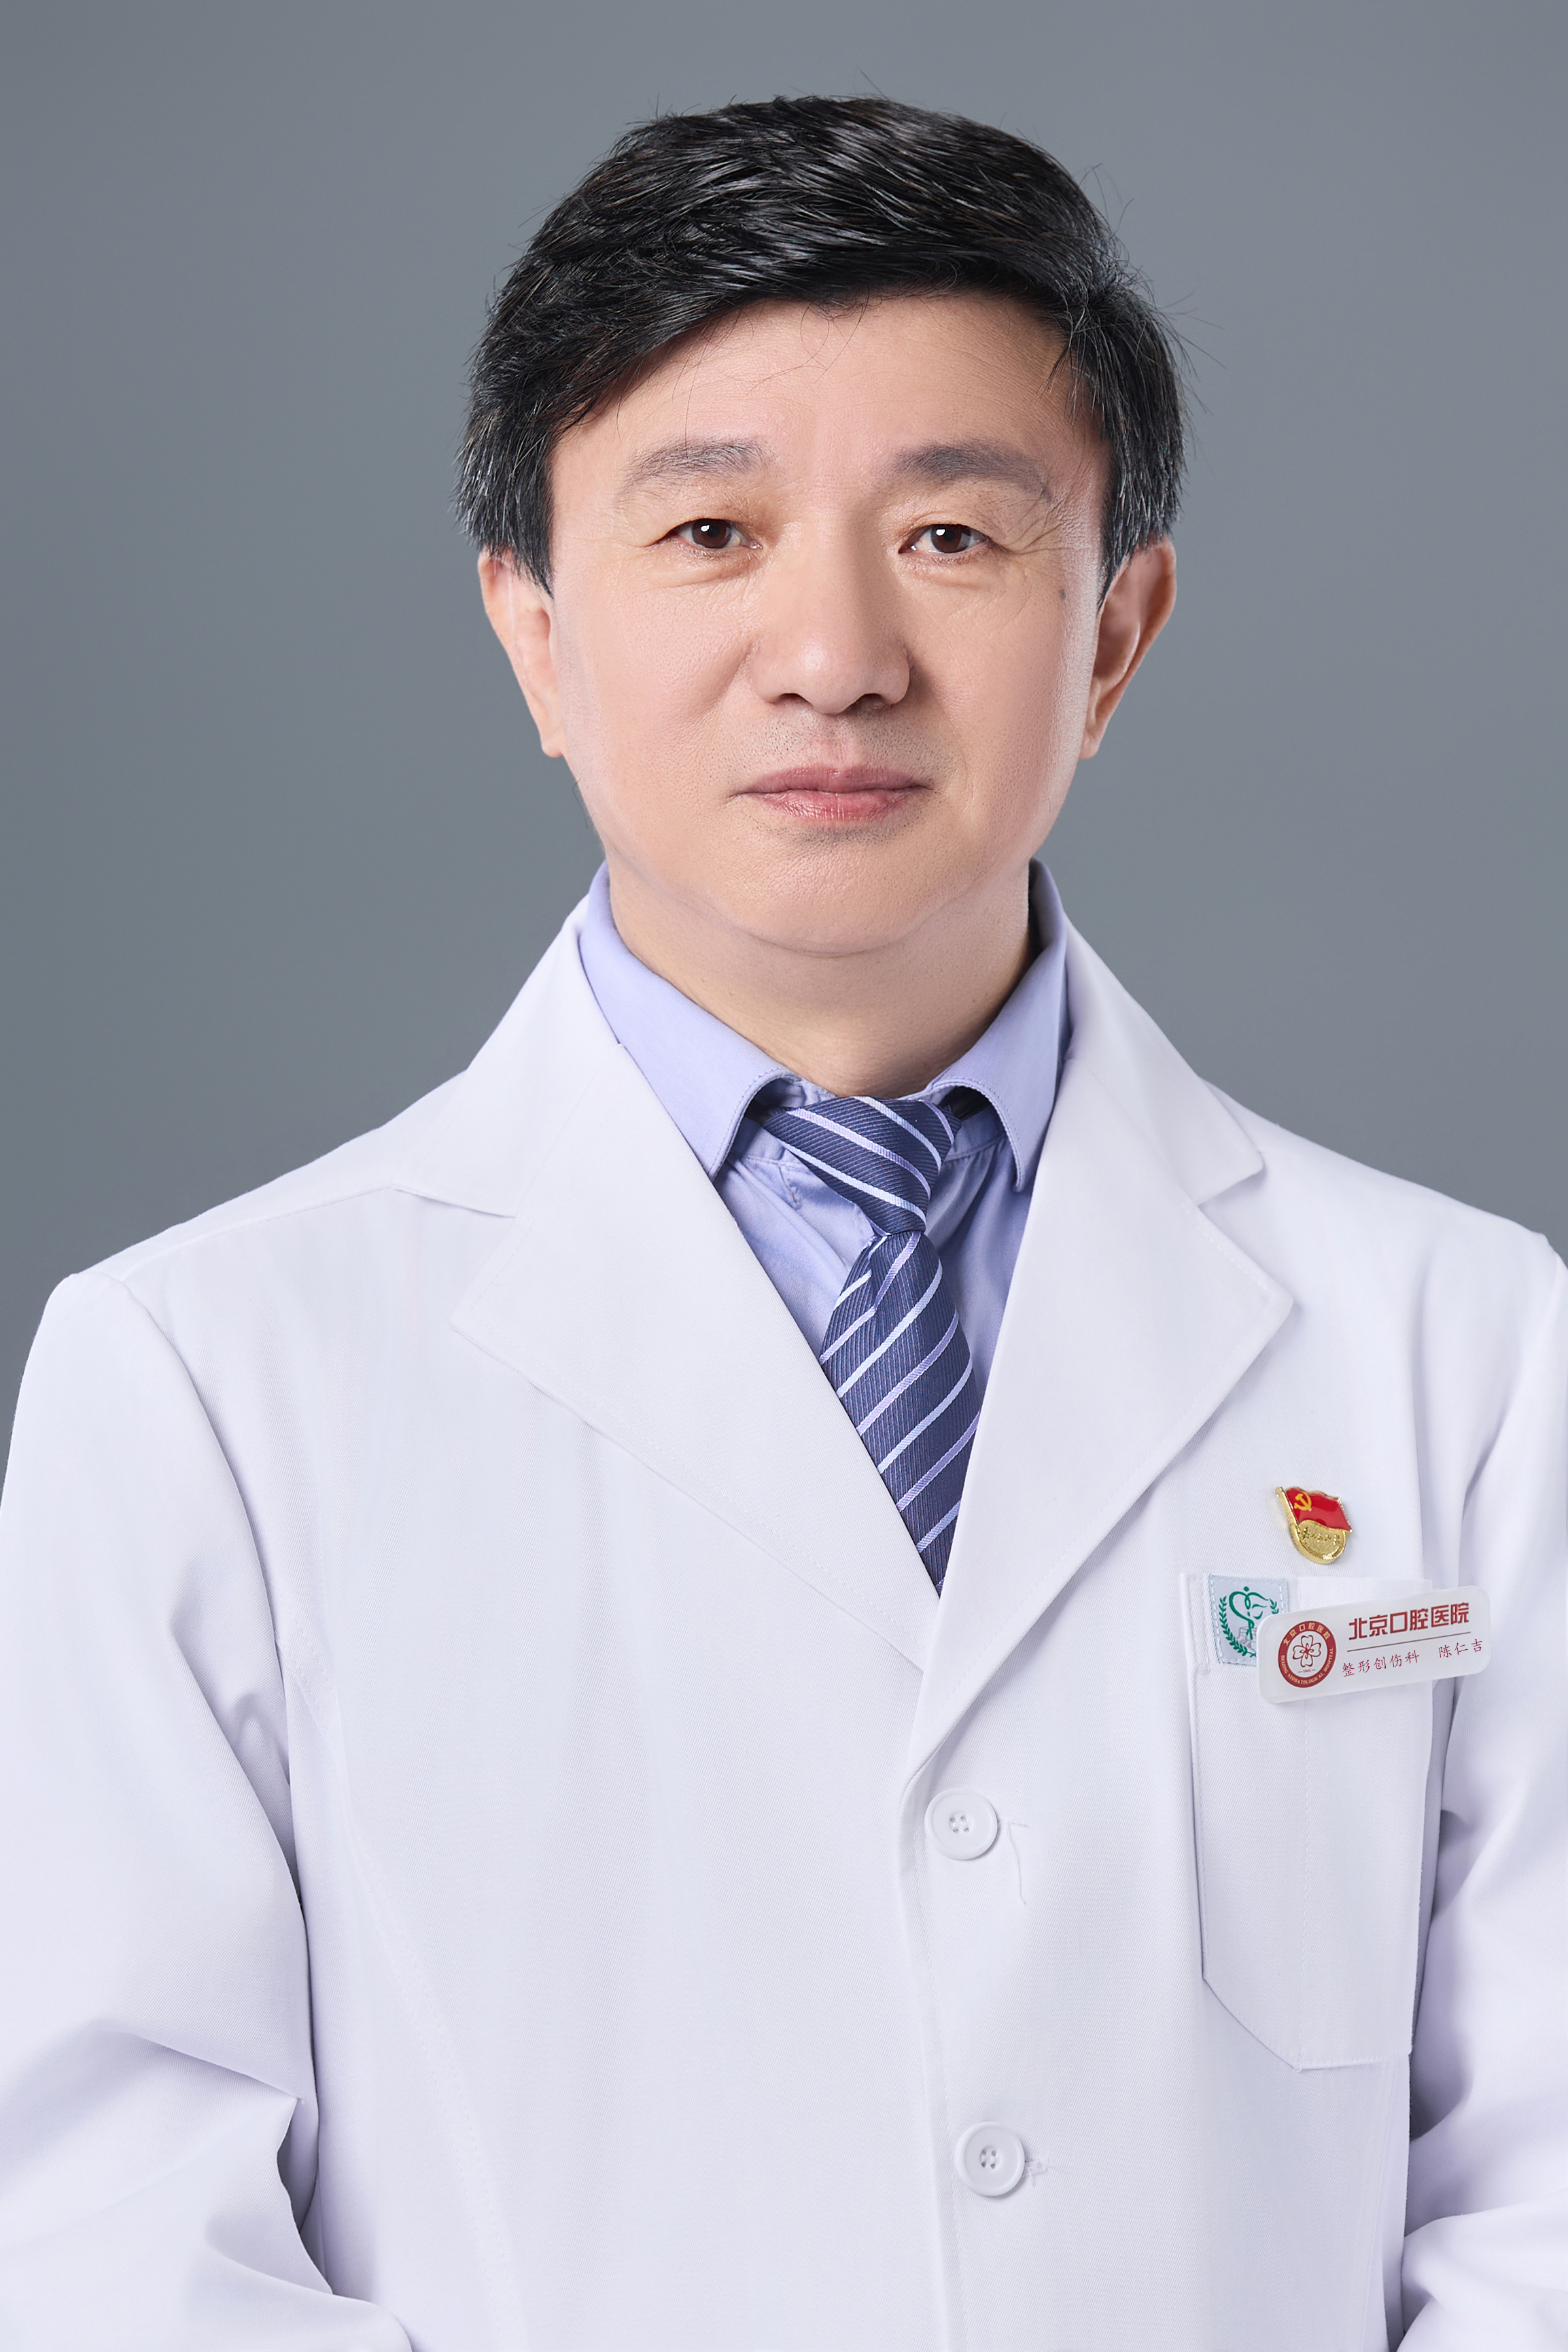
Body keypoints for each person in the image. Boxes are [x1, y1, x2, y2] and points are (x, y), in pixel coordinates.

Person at [0, 94, 1562, 2352]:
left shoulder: (1466, 1348)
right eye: (711, 530)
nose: (831, 653)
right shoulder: (198, 1382)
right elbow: (111, 2250)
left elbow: (1540, 2203)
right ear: (535, 636)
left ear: (1114, 634)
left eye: (950, 535)